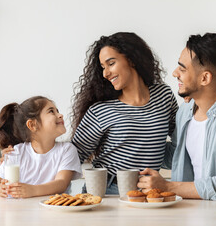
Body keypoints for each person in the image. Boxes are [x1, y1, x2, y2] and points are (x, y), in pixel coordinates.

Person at [137, 33, 216, 201]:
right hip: (194, 212)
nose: (175, 73)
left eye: (182, 69)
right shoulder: (186, 110)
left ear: (205, 78)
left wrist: (167, 186)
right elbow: (176, 156)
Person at [71, 32, 178, 194]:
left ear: (131, 59)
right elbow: (70, 157)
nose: (105, 73)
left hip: (149, 192)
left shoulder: (163, 95)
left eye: (111, 64)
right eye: (103, 67)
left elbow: (180, 144)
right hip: (108, 191)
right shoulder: (100, 111)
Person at [0, 96, 82, 198]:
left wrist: (33, 190)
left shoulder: (66, 150)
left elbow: (61, 183)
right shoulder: (17, 152)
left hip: (52, 212)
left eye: (57, 111)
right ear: (32, 125)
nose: (60, 115)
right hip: (20, 211)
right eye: (51, 111)